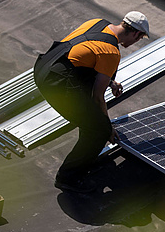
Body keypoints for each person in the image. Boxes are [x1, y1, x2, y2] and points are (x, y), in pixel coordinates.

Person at [34, 11, 150, 192]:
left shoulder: (97, 23)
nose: (136, 42)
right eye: (139, 38)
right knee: (99, 130)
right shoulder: (111, 52)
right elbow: (97, 96)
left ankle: (86, 154)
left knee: (91, 119)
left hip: (45, 66)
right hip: (55, 85)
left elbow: (81, 56)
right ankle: (67, 178)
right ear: (135, 33)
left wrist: (110, 81)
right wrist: (107, 125)